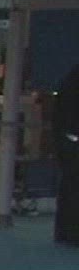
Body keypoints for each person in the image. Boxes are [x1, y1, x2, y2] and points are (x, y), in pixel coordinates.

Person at [56, 62, 79, 245]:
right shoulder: (73, 81)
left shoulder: (71, 78)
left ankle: (67, 232)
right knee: (73, 186)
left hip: (69, 138)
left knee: (70, 186)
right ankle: (71, 233)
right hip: (73, 140)